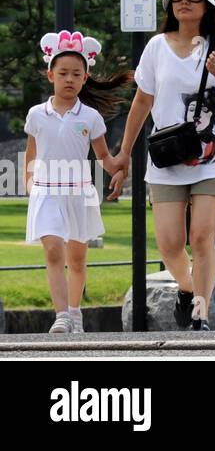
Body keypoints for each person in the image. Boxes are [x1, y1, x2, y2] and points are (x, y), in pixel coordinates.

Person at [111, 0, 215, 331]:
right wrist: (124, 153)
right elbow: (141, 102)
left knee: (202, 236)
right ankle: (189, 289)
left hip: (212, 159)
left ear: (208, 7)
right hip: (167, 159)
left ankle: (200, 313)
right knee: (170, 243)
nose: (184, 2)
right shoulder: (156, 47)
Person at [26, 32, 127, 333]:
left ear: (85, 78)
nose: (69, 79)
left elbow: (104, 158)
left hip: (80, 194)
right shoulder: (36, 115)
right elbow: (31, 155)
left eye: (76, 74)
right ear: (50, 75)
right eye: (63, 73)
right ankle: (61, 316)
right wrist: (31, 185)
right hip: (47, 193)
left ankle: (75, 311)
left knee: (78, 259)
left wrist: (118, 170)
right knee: (54, 251)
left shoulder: (92, 118)